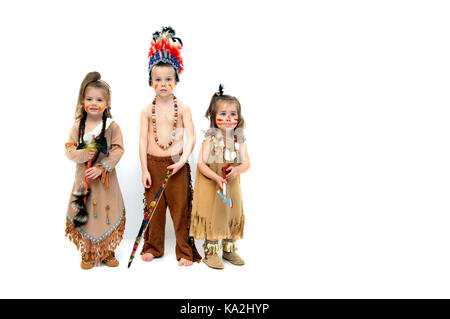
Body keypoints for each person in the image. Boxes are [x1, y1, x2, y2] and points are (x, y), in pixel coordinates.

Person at [139, 26, 201, 266]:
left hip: (177, 164)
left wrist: (183, 160)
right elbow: (142, 141)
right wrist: (145, 170)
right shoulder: (146, 110)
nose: (163, 84)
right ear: (150, 81)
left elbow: (192, 137)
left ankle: (184, 250)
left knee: (181, 208)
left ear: (176, 80)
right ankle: (153, 246)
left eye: (168, 79)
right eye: (157, 80)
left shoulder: (183, 107)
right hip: (153, 164)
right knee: (153, 209)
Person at [65, 71, 126, 269]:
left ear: (107, 103)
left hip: (105, 181)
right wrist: (84, 155)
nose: (93, 103)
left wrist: (102, 167)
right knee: (88, 213)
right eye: (89, 98)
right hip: (85, 181)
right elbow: (69, 150)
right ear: (83, 101)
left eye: (99, 99)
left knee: (106, 212)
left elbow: (118, 149)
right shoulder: (78, 127)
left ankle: (107, 250)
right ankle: (89, 252)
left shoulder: (112, 126)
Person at [189, 85, 250, 269]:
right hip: (212, 183)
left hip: (231, 185)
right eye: (223, 114)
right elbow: (201, 164)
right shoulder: (210, 140)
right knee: (213, 215)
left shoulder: (239, 140)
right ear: (214, 117)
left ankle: (229, 249)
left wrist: (237, 170)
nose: (228, 118)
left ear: (239, 117)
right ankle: (211, 253)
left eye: (233, 114)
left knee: (231, 213)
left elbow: (246, 162)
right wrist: (216, 177)